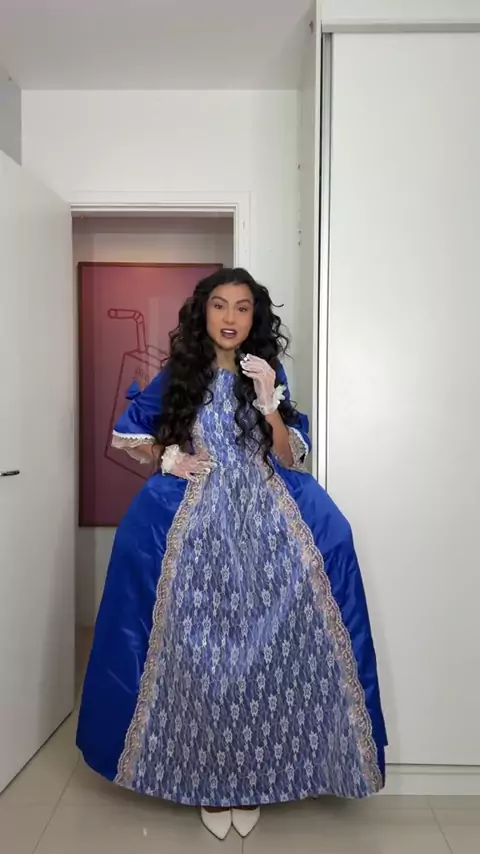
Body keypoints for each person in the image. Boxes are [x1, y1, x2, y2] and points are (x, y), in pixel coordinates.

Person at [77, 267, 387, 840]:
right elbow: (131, 435)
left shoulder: (265, 371)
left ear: (254, 317)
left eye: (242, 308)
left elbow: (288, 458)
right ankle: (208, 779)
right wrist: (170, 459)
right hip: (196, 521)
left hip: (266, 520)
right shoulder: (180, 373)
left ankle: (252, 777)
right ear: (204, 312)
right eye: (220, 305)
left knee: (261, 654)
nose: (229, 317)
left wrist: (270, 402)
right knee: (199, 655)